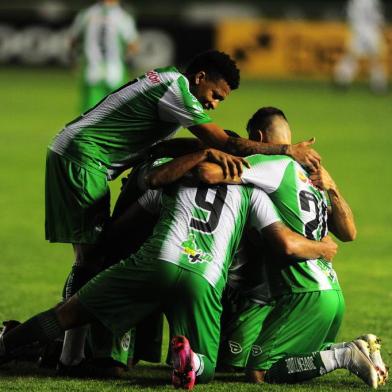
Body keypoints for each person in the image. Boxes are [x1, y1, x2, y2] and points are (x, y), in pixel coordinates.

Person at [46, 49, 320, 370]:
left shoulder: (167, 84)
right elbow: (225, 143)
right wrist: (286, 151)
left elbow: (160, 147)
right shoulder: (176, 89)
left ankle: (75, 350)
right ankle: (71, 356)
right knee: (90, 258)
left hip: (84, 157)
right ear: (200, 78)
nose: (214, 104)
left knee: (96, 254)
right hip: (82, 158)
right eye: (215, 95)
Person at [1, 144, 336, 388]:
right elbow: (282, 241)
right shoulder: (253, 195)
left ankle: (8, 345)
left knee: (68, 313)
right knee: (203, 370)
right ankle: (190, 360)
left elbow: (121, 229)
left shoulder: (173, 178)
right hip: (203, 280)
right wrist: (322, 246)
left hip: (155, 262)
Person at [195, 107, 388, 388]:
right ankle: (357, 349)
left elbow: (209, 174)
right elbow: (349, 233)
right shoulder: (309, 176)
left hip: (302, 292)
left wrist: (216, 157)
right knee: (295, 360)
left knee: (259, 373)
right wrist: (332, 189)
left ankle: (346, 355)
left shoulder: (272, 165)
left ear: (259, 137)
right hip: (331, 291)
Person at [69, 0, 139, 112]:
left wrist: (74, 60)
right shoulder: (123, 17)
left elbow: (73, 40)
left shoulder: (87, 14)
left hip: (91, 70)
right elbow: (133, 46)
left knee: (90, 115)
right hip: (115, 71)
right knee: (115, 114)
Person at [334, 0, 388, 93]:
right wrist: (382, 25)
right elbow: (376, 16)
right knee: (375, 59)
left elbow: (350, 16)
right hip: (371, 32)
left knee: (351, 57)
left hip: (358, 31)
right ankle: (379, 85)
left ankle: (342, 80)